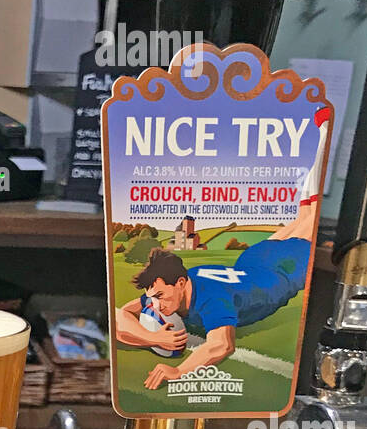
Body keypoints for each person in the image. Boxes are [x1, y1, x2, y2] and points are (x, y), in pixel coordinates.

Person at [114, 107, 329, 391]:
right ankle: (323, 130)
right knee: (304, 216)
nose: (156, 305)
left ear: (180, 283)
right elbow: (118, 316)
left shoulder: (209, 300)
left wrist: (177, 372)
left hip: (283, 269)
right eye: (152, 298)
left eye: (161, 297)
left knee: (311, 216)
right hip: (253, 261)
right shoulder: (168, 290)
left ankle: (326, 132)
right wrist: (154, 338)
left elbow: (221, 346)